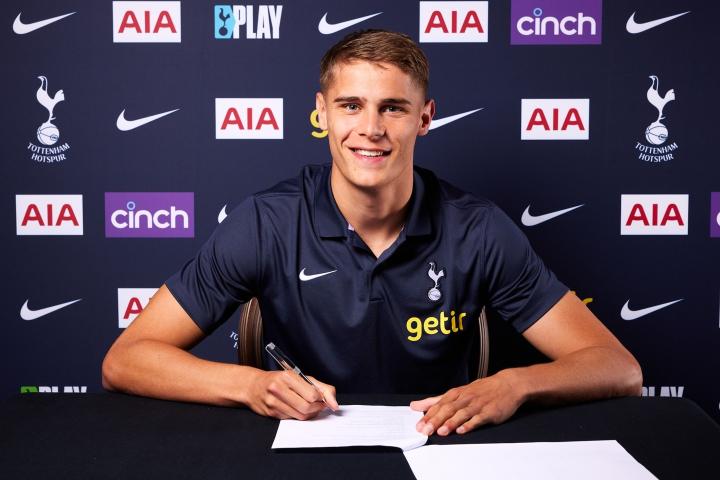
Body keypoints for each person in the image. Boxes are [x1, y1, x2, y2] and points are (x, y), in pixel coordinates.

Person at [102, 30, 642, 437]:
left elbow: (618, 367)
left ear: (425, 118)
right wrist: (251, 386)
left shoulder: (478, 229)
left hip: (436, 450)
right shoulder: (266, 222)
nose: (371, 129)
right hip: (301, 449)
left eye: (393, 108)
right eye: (351, 105)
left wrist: (515, 383)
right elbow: (126, 359)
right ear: (322, 113)